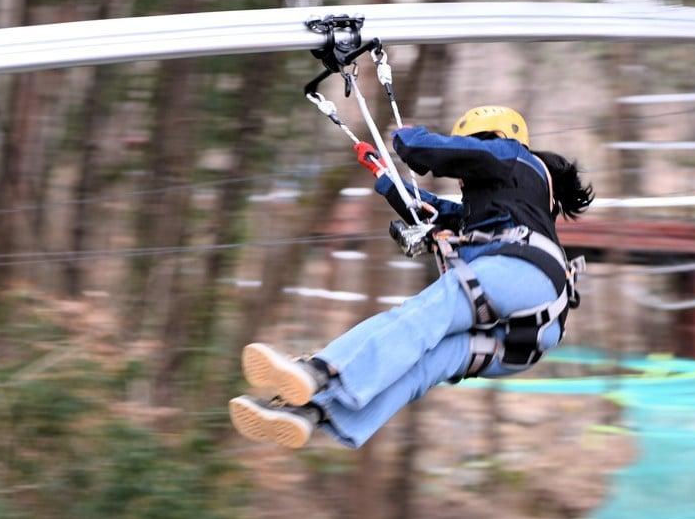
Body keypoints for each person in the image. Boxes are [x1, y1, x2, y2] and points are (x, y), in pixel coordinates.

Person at [228, 105, 593, 449]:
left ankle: (321, 370)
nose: (465, 181)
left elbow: (440, 150)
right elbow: (430, 210)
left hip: (521, 275)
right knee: (423, 366)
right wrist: (386, 179)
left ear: (493, 138)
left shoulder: (511, 155)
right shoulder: (502, 201)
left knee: (419, 317)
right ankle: (313, 411)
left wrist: (409, 139)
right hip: (529, 338)